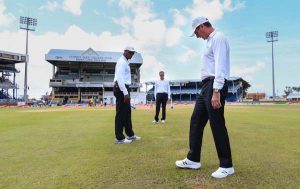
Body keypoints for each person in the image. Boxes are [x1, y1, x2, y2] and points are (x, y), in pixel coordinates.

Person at [175, 16, 234, 179]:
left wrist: (216, 91)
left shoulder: (219, 38)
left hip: (215, 85)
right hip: (206, 86)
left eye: (196, 32)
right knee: (196, 121)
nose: (197, 36)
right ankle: (193, 159)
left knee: (217, 124)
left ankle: (227, 165)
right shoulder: (209, 41)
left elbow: (220, 65)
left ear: (202, 26)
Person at [113, 46, 141, 144]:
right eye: (130, 53)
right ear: (125, 52)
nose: (132, 55)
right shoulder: (122, 62)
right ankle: (119, 138)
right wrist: (125, 93)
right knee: (121, 113)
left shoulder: (125, 62)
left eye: (133, 53)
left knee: (127, 112)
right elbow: (120, 78)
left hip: (123, 88)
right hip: (121, 88)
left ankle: (130, 134)